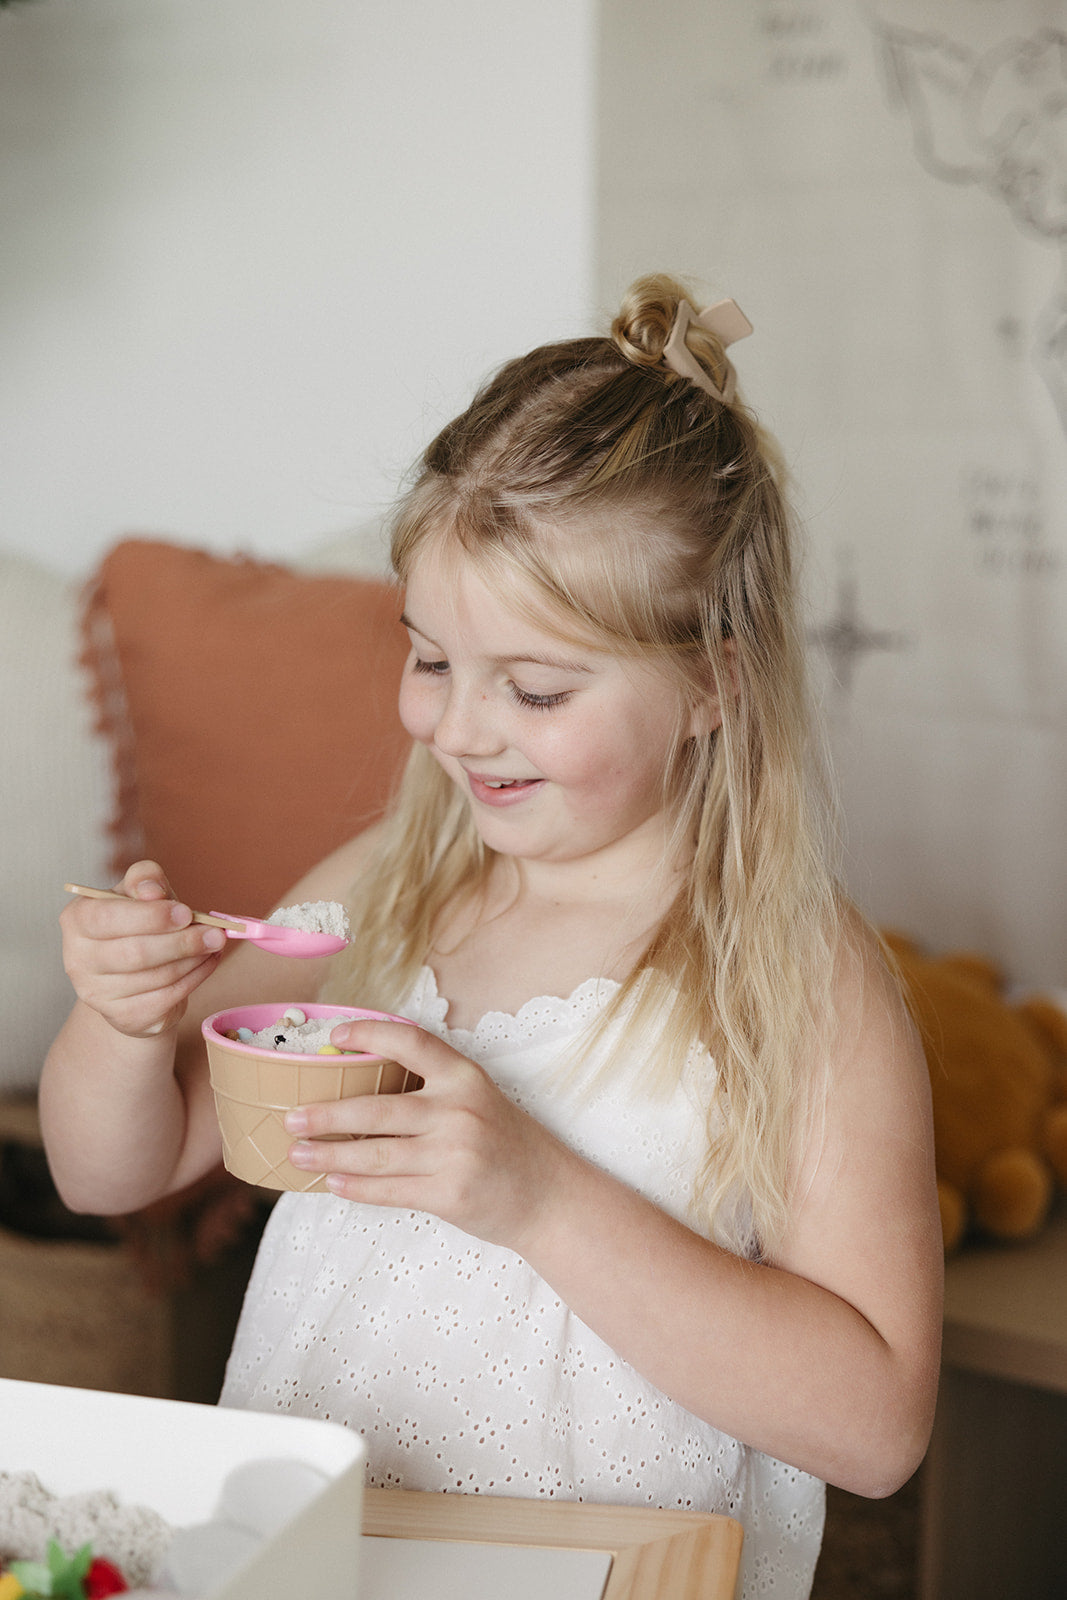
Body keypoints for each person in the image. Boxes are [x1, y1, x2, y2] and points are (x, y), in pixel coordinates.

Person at [41, 274, 943, 1599]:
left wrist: (535, 1195)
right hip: (315, 1569)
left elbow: (876, 1430)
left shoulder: (794, 973)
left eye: (531, 686)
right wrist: (120, 1027)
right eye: (429, 659)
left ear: (713, 681)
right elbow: (112, 1172)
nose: (459, 728)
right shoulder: (379, 885)